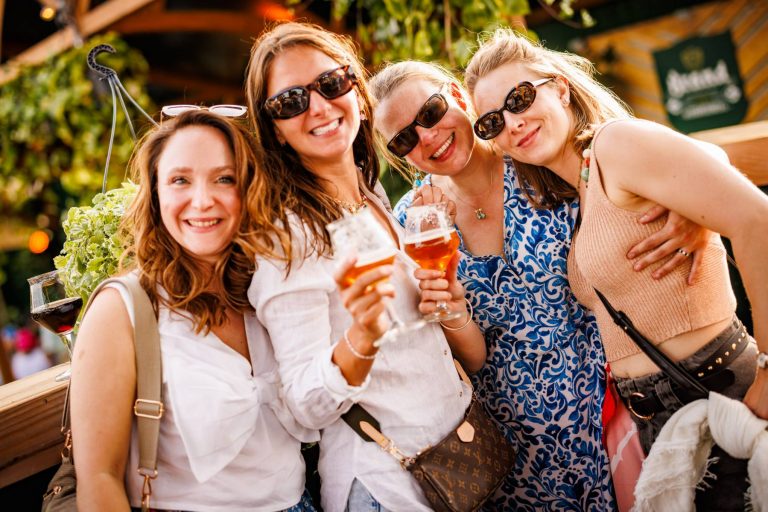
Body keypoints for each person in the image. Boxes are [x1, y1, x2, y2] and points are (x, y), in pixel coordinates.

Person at [370, 60, 710, 510]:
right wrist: (450, 305)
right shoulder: (413, 222)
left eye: (430, 113)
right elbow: (461, 357)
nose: (427, 137)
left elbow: (645, 159)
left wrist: (694, 210)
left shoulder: (534, 154)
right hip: (510, 454)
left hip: (614, 414)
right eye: (405, 138)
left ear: (456, 94)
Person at [465, 28, 768, 511]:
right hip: (657, 418)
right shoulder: (580, 188)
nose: (513, 123)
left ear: (560, 88)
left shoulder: (615, 145)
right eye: (492, 122)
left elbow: (759, 220)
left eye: (520, 99)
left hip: (715, 387)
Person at [244, 22, 487, 511]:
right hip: (386, 488)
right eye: (291, 102)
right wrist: (362, 337)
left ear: (354, 86)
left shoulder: (372, 196)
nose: (318, 106)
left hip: (454, 461)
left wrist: (450, 308)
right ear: (274, 128)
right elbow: (303, 407)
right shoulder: (290, 238)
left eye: (331, 83)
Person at [70, 110, 317, 511]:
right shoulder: (124, 309)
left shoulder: (265, 290)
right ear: (155, 192)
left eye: (224, 178)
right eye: (180, 180)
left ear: (249, 189)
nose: (202, 201)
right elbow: (99, 480)